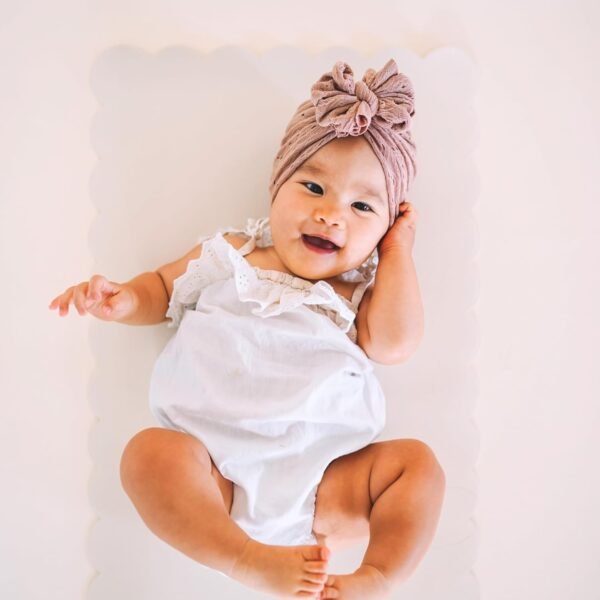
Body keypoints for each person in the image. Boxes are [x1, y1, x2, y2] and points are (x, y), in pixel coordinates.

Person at [49, 58, 445, 600]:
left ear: (382, 229)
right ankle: (245, 557)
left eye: (361, 207)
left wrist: (398, 251)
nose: (331, 215)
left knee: (418, 467)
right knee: (147, 455)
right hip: (214, 474)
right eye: (313, 187)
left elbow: (397, 343)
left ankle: (377, 577)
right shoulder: (235, 253)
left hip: (323, 483)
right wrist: (124, 299)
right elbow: (162, 288)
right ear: (277, 186)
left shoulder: (354, 293)